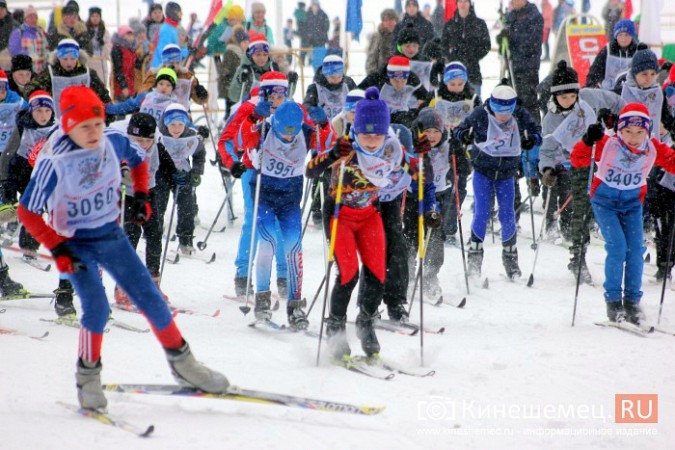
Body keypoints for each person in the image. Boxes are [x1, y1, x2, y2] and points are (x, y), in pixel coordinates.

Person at [17, 85, 229, 411]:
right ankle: (87, 378)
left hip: (111, 235)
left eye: (98, 125)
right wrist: (56, 246)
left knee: (150, 298)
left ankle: (185, 365)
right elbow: (27, 212)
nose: (93, 133)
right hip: (75, 244)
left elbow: (140, 158)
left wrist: (142, 194)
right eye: (84, 127)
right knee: (97, 308)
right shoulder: (54, 159)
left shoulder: (113, 141)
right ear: (68, 125)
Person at [305, 87, 397, 359]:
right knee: (348, 273)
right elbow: (311, 170)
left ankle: (366, 324)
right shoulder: (345, 144)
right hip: (339, 215)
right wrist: (333, 155)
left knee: (378, 273)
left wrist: (421, 156)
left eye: (377, 135)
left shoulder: (391, 148)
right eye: (366, 134)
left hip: (369, 215)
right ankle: (335, 328)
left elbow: (414, 170)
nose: (371, 141)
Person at [571, 103, 675, 325]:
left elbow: (671, 161)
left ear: (647, 132)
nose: (634, 138)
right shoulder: (608, 144)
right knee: (618, 247)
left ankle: (632, 301)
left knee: (636, 250)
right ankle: (613, 302)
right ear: (620, 130)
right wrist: (588, 141)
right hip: (604, 202)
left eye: (639, 132)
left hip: (631, 204)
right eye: (628, 131)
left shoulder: (652, 147)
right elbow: (578, 159)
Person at [238, 101, 327, 328]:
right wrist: (252, 117)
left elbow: (326, 145)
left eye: (292, 134)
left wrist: (324, 124)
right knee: (267, 244)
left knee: (294, 249)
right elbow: (242, 138)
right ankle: (262, 301)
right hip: (264, 196)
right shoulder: (265, 129)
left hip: (289, 200)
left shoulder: (306, 132)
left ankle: (295, 307)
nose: (288, 138)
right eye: (283, 134)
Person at [539, 60, 625, 284]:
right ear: (554, 97)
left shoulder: (588, 98)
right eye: (563, 97)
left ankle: (622, 244)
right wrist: (547, 169)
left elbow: (617, 102)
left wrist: (618, 119)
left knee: (612, 201)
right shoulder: (551, 120)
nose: (568, 101)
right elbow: (547, 150)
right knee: (580, 210)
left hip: (603, 160)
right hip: (575, 166)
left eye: (571, 96)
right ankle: (578, 255)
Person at [455, 81, 542, 280]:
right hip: (483, 171)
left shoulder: (519, 114)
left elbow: (537, 132)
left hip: (506, 174)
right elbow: (459, 130)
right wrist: (465, 136)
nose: (502, 116)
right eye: (498, 111)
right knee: (482, 212)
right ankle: (474, 260)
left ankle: (510, 260)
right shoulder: (481, 113)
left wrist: (532, 139)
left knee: (507, 214)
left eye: (506, 112)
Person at [429, 62, 480, 246]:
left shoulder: (472, 98)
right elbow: (426, 117)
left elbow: (480, 121)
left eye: (460, 84)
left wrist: (472, 136)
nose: (457, 88)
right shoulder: (436, 96)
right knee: (439, 187)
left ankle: (449, 229)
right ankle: (435, 224)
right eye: (453, 84)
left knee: (458, 188)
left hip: (463, 151)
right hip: (439, 150)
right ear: (446, 82)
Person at [25, 39, 111, 118]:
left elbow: (103, 95)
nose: (69, 63)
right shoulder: (49, 74)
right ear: (58, 58)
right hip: (56, 121)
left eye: (72, 59)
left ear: (77, 58)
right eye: (65, 59)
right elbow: (30, 89)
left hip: (83, 121)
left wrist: (107, 114)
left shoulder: (88, 73)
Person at [496, 0, 544, 125]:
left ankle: (533, 132)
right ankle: (516, 130)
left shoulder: (533, 15)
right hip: (513, 66)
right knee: (512, 101)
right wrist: (502, 38)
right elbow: (506, 38)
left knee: (528, 102)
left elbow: (531, 41)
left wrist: (511, 35)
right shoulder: (511, 15)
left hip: (528, 67)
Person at [358, 55, 429, 130]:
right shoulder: (376, 79)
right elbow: (356, 93)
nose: (399, 84)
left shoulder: (412, 79)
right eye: (396, 80)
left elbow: (425, 95)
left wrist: (421, 103)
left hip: (402, 115)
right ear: (389, 76)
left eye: (403, 80)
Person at [440, 0, 490, 98]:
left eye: (465, 1)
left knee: (474, 103)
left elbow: (486, 45)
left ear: (469, 3)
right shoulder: (450, 23)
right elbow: (443, 45)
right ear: (457, 3)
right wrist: (451, 58)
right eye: (460, 1)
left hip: (473, 70)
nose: (463, 4)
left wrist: (474, 57)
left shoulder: (479, 23)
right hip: (454, 71)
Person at [142, 44, 209, 110]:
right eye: (171, 63)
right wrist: (153, 86)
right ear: (164, 63)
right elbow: (144, 92)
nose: (174, 66)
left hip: (181, 112)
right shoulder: (155, 75)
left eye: (177, 63)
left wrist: (201, 94)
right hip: (159, 110)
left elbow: (199, 100)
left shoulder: (186, 76)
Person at [226, 34, 279, 106]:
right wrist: (239, 81)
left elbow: (284, 94)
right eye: (258, 54)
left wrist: (292, 82)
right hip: (250, 110)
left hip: (270, 109)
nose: (262, 58)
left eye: (265, 54)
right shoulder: (244, 69)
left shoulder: (272, 68)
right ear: (251, 54)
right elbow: (234, 96)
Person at [586, 20, 638, 90]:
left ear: (632, 36)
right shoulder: (608, 50)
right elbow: (595, 70)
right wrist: (589, 86)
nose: (623, 39)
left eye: (627, 35)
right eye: (620, 35)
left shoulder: (637, 51)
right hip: (608, 90)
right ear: (616, 36)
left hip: (631, 90)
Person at [8, 5, 49, 73]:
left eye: (35, 17)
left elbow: (46, 48)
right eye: (30, 17)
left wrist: (48, 56)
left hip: (39, 72)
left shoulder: (40, 33)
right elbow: (13, 51)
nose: (33, 19)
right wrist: (28, 54)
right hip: (22, 73)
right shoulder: (18, 33)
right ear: (25, 18)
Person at [151, 2, 187, 69]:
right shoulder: (167, 30)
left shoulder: (173, 28)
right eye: (180, 12)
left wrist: (185, 49)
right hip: (162, 69)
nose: (182, 14)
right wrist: (184, 52)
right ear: (174, 13)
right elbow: (164, 52)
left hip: (169, 68)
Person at [366, 9, 398, 74]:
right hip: (381, 76)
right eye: (386, 20)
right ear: (382, 23)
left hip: (400, 75)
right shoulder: (377, 37)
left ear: (396, 20)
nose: (389, 22)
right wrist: (374, 76)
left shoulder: (401, 35)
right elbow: (371, 59)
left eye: (391, 19)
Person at [85, 7, 111, 86]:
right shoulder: (85, 31)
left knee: (101, 85)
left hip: (101, 62)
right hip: (90, 62)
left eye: (97, 16)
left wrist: (102, 43)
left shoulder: (104, 32)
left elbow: (108, 50)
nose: (95, 19)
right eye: (93, 16)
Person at [110, 26, 137, 102]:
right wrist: (123, 86)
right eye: (128, 34)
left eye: (132, 34)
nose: (131, 37)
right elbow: (118, 69)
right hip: (121, 87)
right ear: (122, 36)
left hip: (131, 85)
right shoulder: (117, 49)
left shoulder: (132, 49)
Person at [0, 0, 18, 68]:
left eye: (2, 9)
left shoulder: (14, 25)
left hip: (8, 62)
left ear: (5, 9)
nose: (0, 12)